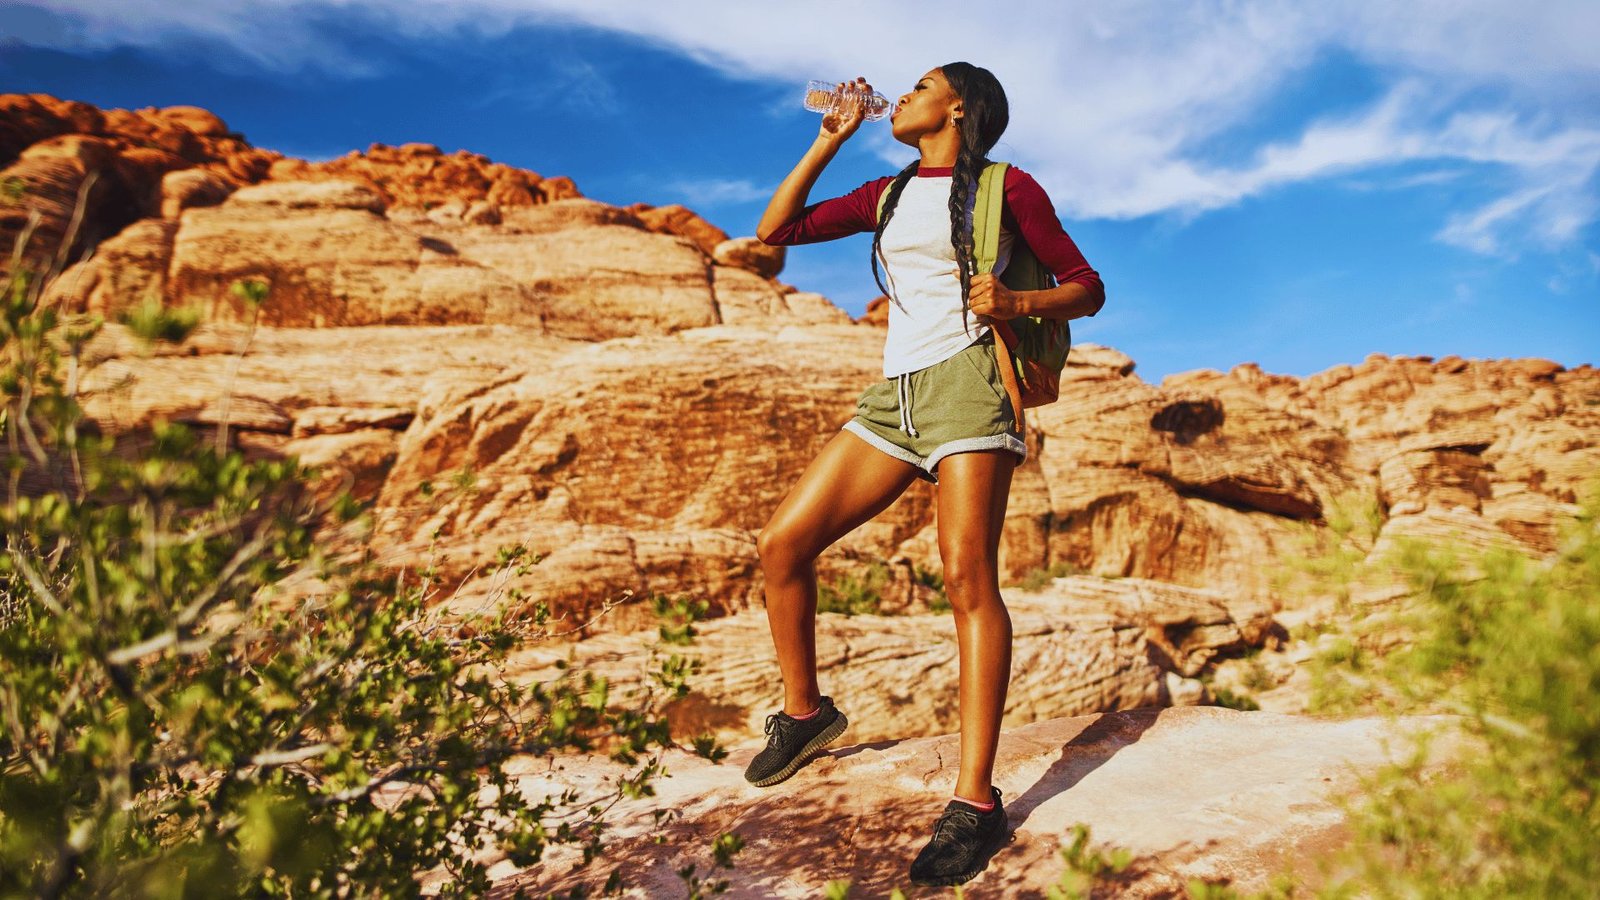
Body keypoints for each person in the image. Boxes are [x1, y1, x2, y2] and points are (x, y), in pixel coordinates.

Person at [743, 63, 1106, 887]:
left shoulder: (1011, 188)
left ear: (959, 108)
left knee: (967, 579)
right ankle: (807, 716)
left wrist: (1018, 307)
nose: (899, 97)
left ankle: (975, 803)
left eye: (919, 86)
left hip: (971, 387)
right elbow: (777, 230)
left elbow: (1088, 287)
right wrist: (827, 141)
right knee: (783, 544)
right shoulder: (887, 190)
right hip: (894, 397)